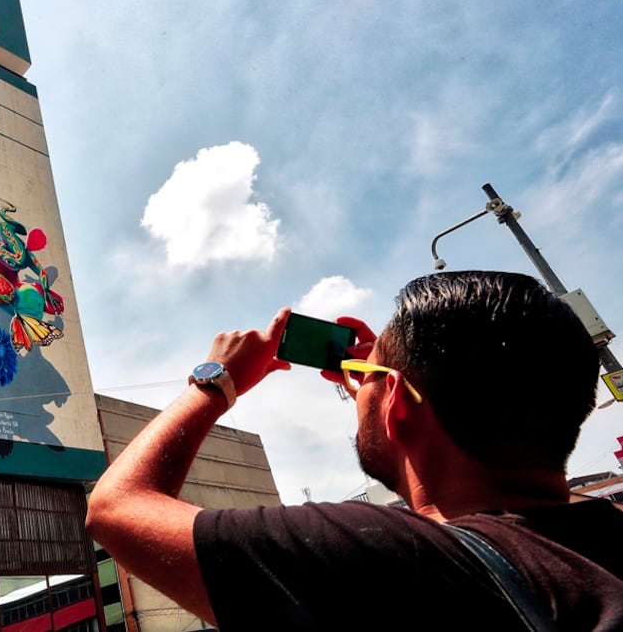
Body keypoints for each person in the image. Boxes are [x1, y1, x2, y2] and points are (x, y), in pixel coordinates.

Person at [86, 270, 623, 630]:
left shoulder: (385, 558)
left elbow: (115, 507)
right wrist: (382, 385)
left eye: (371, 381)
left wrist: (215, 380)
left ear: (397, 406)